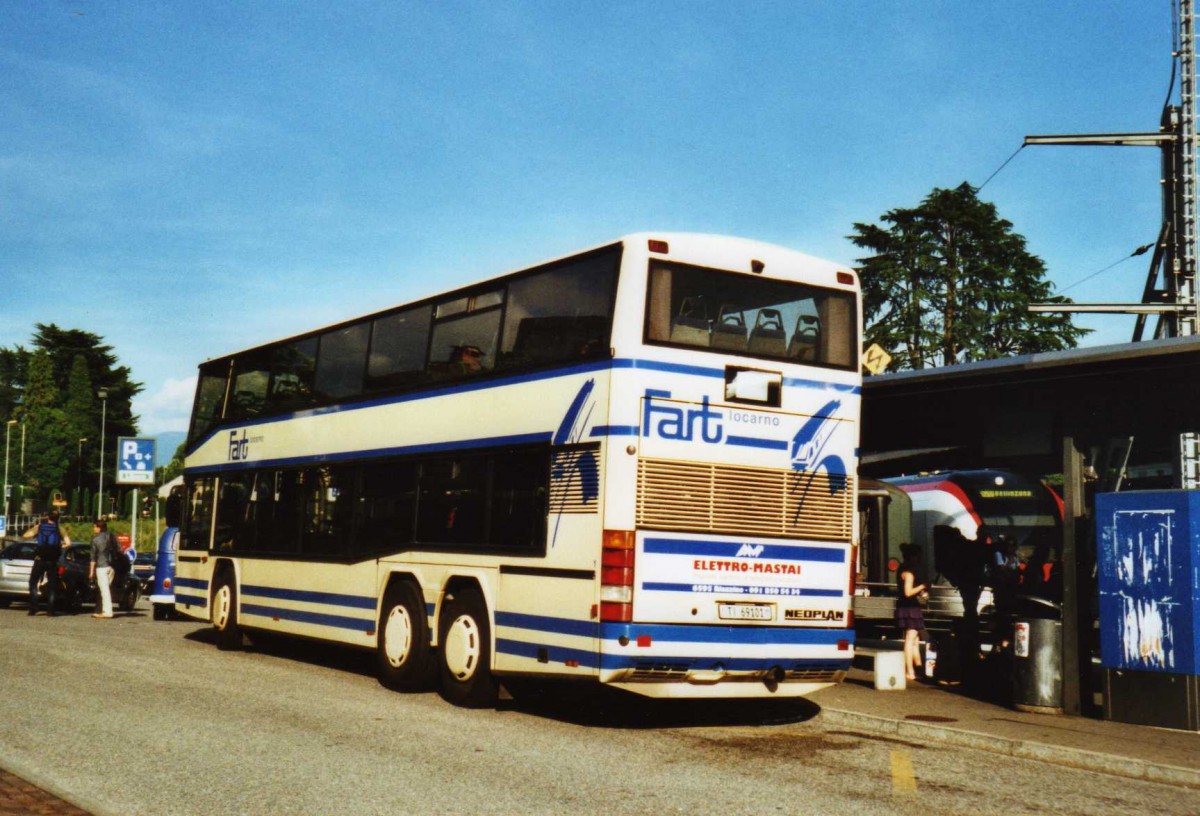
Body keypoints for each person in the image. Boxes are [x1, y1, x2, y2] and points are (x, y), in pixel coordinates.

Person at [23, 511, 71, 616]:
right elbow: (68, 543)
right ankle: (51, 610)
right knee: (52, 585)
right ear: (58, 518)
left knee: (33, 582)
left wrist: (35, 527)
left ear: (48, 517)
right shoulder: (59, 528)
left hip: (40, 559)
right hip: (52, 561)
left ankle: (34, 607)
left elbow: (25, 535)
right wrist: (59, 547)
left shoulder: (40, 527)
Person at [896, 543, 929, 682]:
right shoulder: (909, 573)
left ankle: (918, 668)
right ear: (914, 557)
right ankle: (910, 671)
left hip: (906, 607)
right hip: (910, 608)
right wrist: (923, 586)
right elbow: (908, 592)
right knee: (911, 640)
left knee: (914, 640)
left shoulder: (902, 570)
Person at [88, 519, 119, 619]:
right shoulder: (111, 536)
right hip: (112, 566)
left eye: (94, 526)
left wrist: (91, 571)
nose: (93, 528)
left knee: (104, 590)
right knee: (106, 589)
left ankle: (107, 612)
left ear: (99, 527)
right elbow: (118, 550)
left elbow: (93, 557)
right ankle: (102, 609)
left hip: (101, 567)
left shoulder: (95, 539)